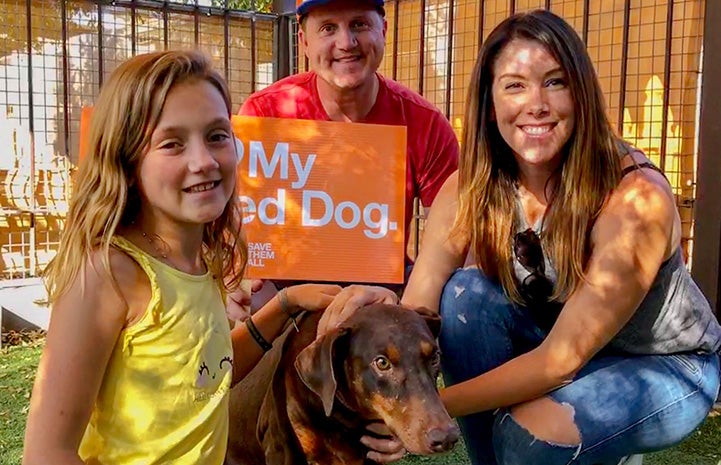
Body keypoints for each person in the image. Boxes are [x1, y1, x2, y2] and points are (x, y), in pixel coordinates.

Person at [323, 9, 721, 465]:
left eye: (555, 82)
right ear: (490, 105)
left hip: (664, 363)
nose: (536, 104)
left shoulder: (635, 200)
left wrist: (428, 414)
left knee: (525, 438)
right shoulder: (470, 186)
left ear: (582, 94)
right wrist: (381, 318)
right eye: (514, 85)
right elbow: (419, 310)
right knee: (465, 298)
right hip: (558, 340)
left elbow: (559, 361)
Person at [22, 50, 341, 465]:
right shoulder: (109, 273)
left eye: (217, 135)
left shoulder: (201, 260)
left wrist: (285, 305)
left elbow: (206, 376)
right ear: (127, 158)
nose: (204, 161)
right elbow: (48, 452)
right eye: (172, 143)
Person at [238, 0, 458, 274]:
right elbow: (233, 231)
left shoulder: (426, 124)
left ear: (384, 31)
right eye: (328, 28)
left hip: (382, 295)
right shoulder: (264, 115)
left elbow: (455, 243)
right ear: (304, 42)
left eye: (359, 24)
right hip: (281, 290)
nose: (346, 42)